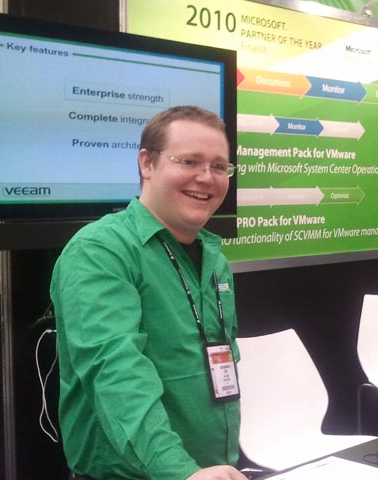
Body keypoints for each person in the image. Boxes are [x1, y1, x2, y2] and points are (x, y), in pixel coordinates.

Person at [50, 106, 247, 480]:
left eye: (219, 166)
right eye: (189, 161)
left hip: (212, 471)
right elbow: (117, 374)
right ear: (147, 164)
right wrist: (180, 471)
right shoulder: (100, 251)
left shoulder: (214, 259)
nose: (206, 177)